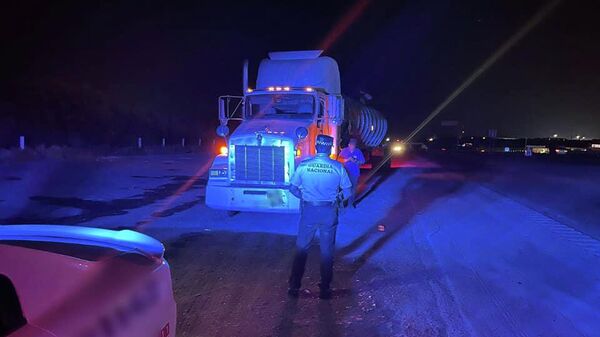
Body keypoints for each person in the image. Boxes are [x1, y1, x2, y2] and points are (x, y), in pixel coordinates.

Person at [288, 135, 352, 299]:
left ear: (316, 147)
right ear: (330, 148)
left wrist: (305, 196)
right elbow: (348, 192)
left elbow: (293, 189)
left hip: (309, 210)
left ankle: (294, 287)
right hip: (328, 212)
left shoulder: (304, 165)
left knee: (302, 248)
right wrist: (337, 198)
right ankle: (325, 289)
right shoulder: (337, 167)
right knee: (327, 251)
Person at [338, 138, 365, 207]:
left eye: (354, 145)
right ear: (349, 144)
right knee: (345, 187)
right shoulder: (344, 150)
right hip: (345, 172)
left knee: (353, 188)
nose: (352, 146)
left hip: (354, 173)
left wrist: (356, 161)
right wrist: (347, 159)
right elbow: (339, 159)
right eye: (351, 145)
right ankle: (344, 202)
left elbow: (362, 161)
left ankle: (351, 203)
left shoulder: (358, 151)